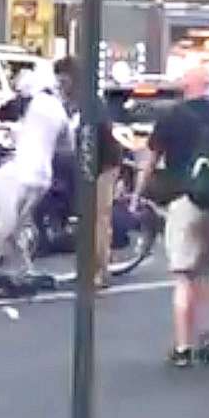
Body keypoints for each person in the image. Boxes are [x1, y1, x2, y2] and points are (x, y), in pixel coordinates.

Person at [133, 67, 209, 367]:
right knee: (206, 273)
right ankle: (207, 340)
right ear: (208, 86)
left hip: (183, 199)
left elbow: (151, 159)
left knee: (183, 277)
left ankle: (183, 347)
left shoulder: (172, 117)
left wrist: (137, 193)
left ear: (186, 85)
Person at [0, 61, 72, 272]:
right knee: (15, 223)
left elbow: (2, 111)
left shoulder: (33, 102)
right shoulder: (61, 113)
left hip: (20, 173)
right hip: (41, 177)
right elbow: (67, 147)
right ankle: (24, 268)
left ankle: (2, 260)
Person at [55, 56, 122, 289]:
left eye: (64, 80)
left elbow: (100, 134)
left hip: (103, 164)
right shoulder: (72, 102)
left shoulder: (90, 102)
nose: (61, 86)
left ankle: (100, 272)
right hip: (87, 166)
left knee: (98, 219)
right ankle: (88, 267)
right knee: (86, 219)